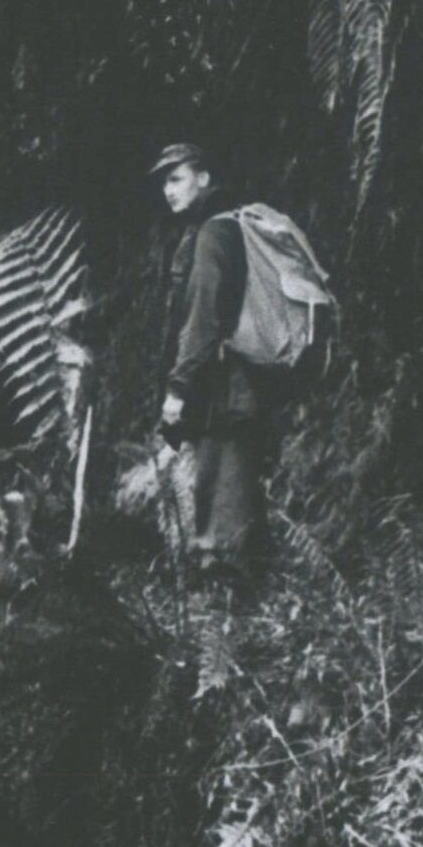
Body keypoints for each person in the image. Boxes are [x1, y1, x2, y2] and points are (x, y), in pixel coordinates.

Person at [152, 141, 279, 577]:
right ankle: (233, 604)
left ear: (204, 178)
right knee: (229, 497)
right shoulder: (215, 229)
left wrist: (177, 388)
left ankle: (227, 616)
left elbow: (203, 317)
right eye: (164, 182)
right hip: (232, 388)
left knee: (221, 515)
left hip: (227, 391)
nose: (168, 190)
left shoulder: (213, 234)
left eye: (176, 178)